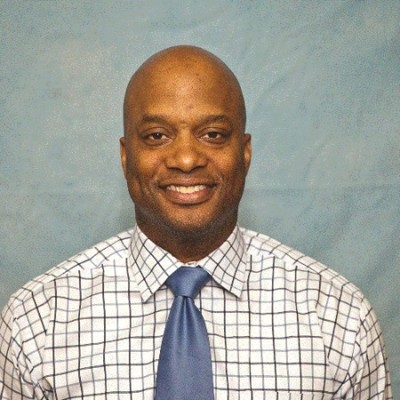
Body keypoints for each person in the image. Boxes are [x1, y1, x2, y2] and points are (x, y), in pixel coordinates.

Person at [0, 45, 392, 399]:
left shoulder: (339, 319)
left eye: (213, 134)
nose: (186, 159)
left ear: (245, 152)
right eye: (157, 135)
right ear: (125, 155)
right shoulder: (36, 323)